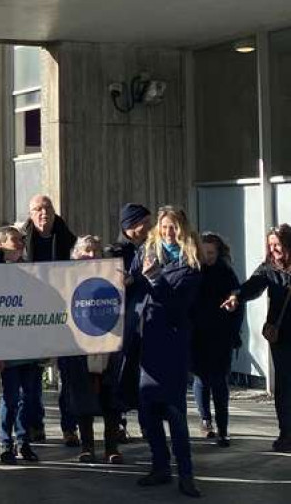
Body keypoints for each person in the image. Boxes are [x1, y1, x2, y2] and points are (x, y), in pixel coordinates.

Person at [131, 206, 203, 498]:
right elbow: (132, 278)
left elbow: (176, 305)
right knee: (148, 412)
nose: (167, 233)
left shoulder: (191, 263)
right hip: (148, 342)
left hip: (172, 344)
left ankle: (186, 474)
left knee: (175, 413)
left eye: (173, 227)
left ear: (182, 229)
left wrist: (156, 278)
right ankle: (160, 466)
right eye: (163, 227)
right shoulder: (147, 251)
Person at [222, 223, 291, 452]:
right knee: (284, 385)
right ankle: (286, 434)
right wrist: (236, 297)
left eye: (277, 244)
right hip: (281, 336)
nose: (274, 249)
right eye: (270, 245)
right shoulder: (269, 268)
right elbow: (253, 286)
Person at [58, 236, 124, 464]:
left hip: (108, 347)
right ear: (75, 255)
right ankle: (87, 447)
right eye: (86, 250)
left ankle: (111, 448)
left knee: (111, 401)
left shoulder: (113, 279)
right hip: (79, 348)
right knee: (82, 399)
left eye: (95, 250)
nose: (91, 254)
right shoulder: (65, 279)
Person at [21, 195, 78, 446]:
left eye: (47, 208)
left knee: (68, 375)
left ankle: (70, 427)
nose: (43, 213)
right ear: (30, 214)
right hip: (31, 318)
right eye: (37, 209)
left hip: (65, 317)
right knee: (32, 377)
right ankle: (35, 424)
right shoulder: (21, 242)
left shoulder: (69, 240)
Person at [0, 227, 43, 465]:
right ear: (1, 245)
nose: (21, 243)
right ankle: (5, 443)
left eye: (22, 240)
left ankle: (24, 442)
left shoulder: (35, 270)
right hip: (7, 348)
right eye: (15, 240)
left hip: (29, 346)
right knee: (11, 398)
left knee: (28, 397)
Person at [190, 232, 242, 447]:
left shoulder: (226, 273)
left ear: (219, 252)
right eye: (204, 252)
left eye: (212, 252)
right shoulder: (192, 271)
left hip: (221, 334)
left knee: (219, 381)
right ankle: (206, 420)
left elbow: (238, 303)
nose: (208, 257)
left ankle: (222, 428)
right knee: (201, 379)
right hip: (196, 335)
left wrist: (234, 332)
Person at [107, 202, 153, 441]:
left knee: (145, 375)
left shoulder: (152, 248)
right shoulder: (114, 253)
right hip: (123, 323)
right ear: (130, 225)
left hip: (148, 320)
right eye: (144, 222)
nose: (149, 227)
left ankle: (148, 423)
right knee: (121, 373)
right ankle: (119, 424)